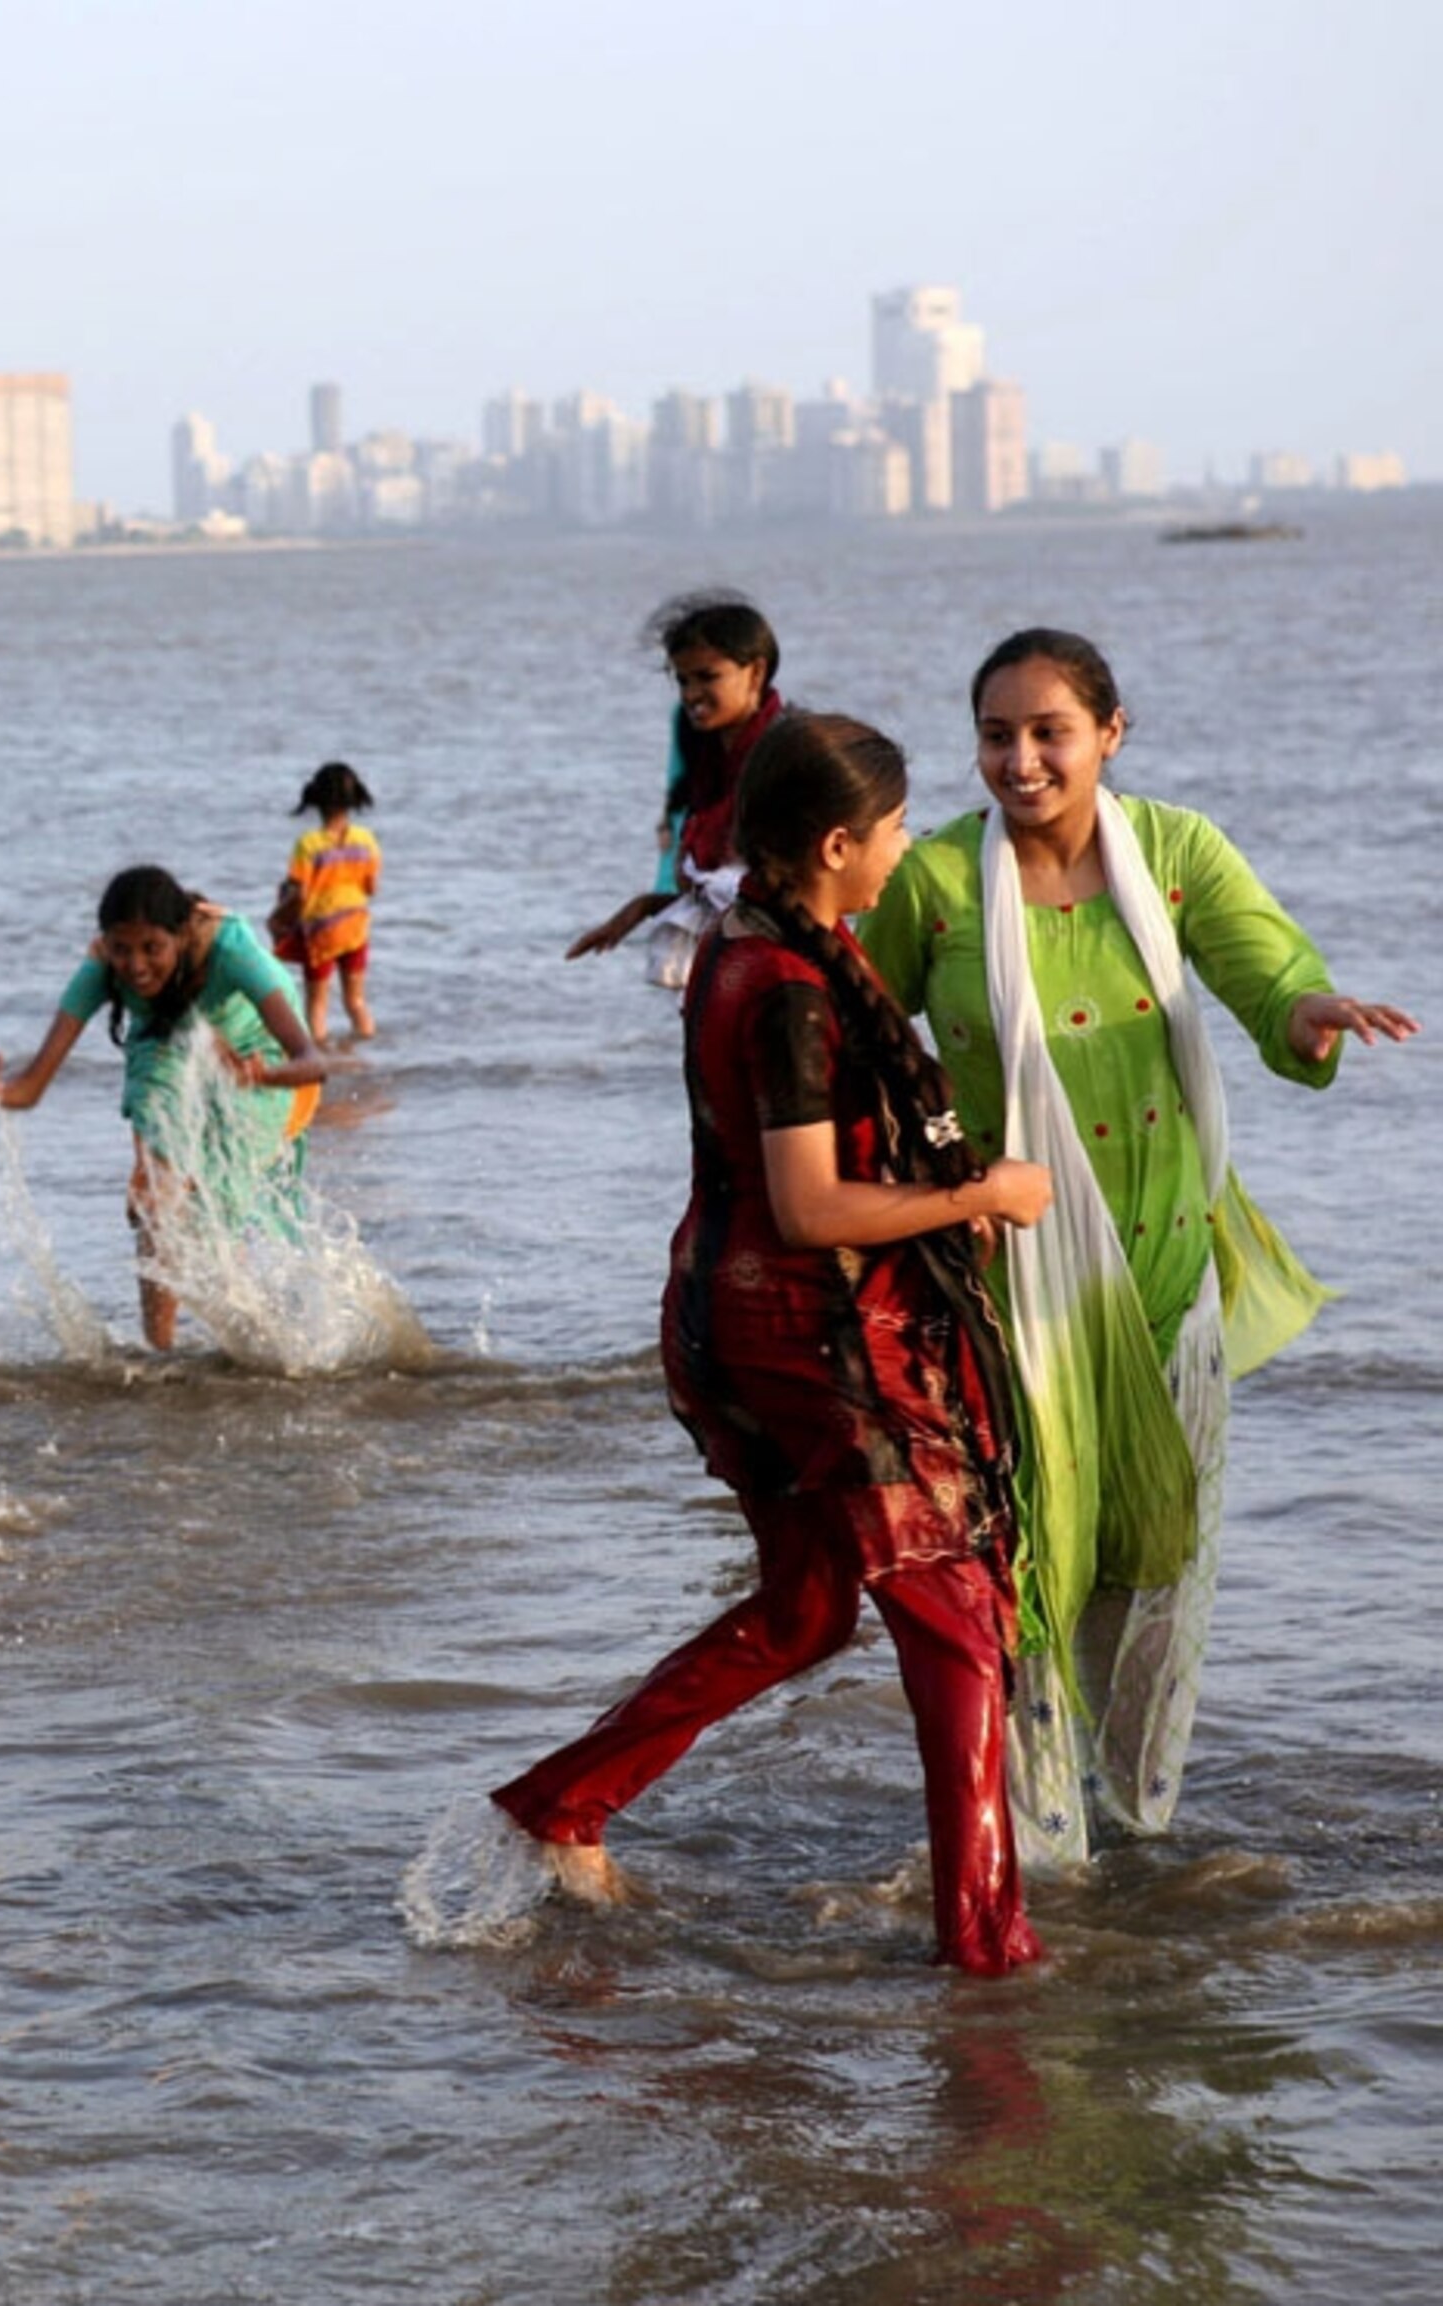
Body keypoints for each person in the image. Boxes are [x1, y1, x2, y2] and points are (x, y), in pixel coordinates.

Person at [492, 712, 1055, 1974]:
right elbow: (811, 1207)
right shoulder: (790, 989)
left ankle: (559, 1804)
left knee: (808, 1610)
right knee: (957, 1615)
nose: (910, 849)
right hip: (815, 1334)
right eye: (899, 828)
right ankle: (988, 1942)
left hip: (735, 1308)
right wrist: (984, 1194)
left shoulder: (758, 942)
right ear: (840, 842)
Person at [860, 629, 1417, 1872]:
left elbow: (1266, 971)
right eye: (996, 734)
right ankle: (1038, 1842)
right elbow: (848, 1015)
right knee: (1035, 1564)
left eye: (1049, 730)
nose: (1021, 758)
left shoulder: (1172, 853)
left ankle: (1133, 1825)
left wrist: (1306, 1014)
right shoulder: (943, 879)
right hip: (1007, 1287)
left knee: (1157, 1566)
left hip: (1169, 1272)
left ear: (1112, 732)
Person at [0, 866, 327, 1351]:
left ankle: (251, 1345)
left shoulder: (230, 951)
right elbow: (31, 1088)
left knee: (216, 1205)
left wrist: (258, 1074)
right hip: (165, 1039)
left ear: (182, 936)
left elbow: (313, 1062)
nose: (136, 965)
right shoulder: (104, 969)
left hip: (256, 1055)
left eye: (152, 949)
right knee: (156, 1200)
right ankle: (160, 1349)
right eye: (121, 949)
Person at [566, 592, 785, 989]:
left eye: (707, 677)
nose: (690, 695)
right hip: (730, 968)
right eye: (682, 680)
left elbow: (786, 897)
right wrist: (641, 909)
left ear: (755, 672)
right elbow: (721, 893)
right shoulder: (706, 754)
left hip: (774, 973)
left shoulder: (788, 758)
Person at [286, 761, 381, 1042]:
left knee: (317, 1004)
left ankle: (318, 1060)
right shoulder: (366, 840)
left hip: (321, 932)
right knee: (356, 1002)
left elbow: (299, 895)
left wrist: (282, 917)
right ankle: (368, 1053)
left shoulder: (308, 844)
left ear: (315, 799)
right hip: (355, 928)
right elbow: (371, 887)